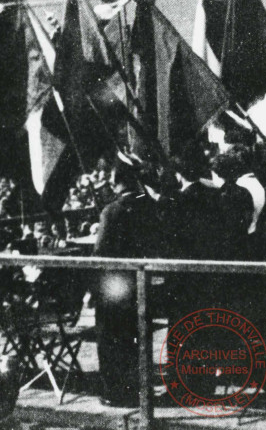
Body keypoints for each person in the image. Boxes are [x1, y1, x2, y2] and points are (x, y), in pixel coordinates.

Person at [93, 153, 160, 407]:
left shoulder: (112, 211)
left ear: (115, 179)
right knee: (138, 338)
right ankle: (141, 388)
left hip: (116, 286)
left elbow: (100, 254)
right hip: (142, 283)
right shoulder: (149, 205)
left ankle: (116, 392)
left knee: (111, 338)